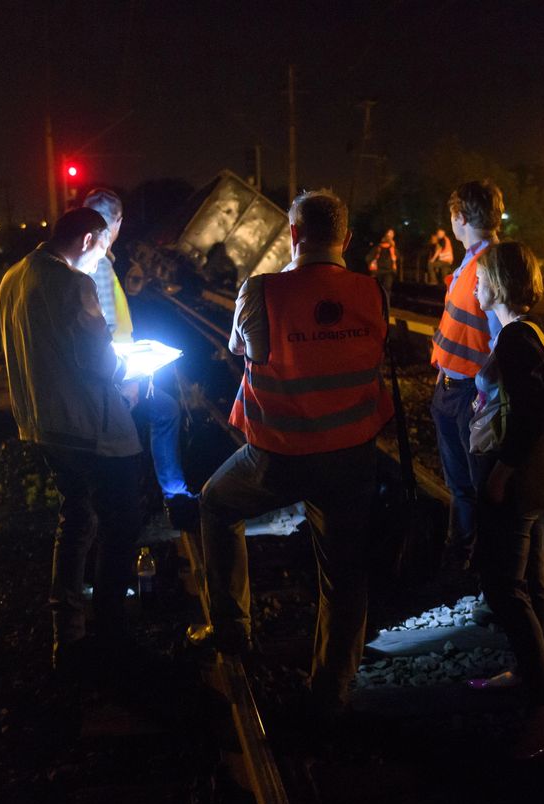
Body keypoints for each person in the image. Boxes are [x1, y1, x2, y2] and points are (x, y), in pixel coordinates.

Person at [198, 189, 393, 713]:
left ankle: (234, 629)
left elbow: (242, 349)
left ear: (293, 235)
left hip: (278, 457)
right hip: (351, 455)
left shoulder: (261, 292)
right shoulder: (372, 291)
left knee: (216, 505)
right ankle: (332, 689)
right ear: (346, 240)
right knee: (344, 575)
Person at [0, 207, 140, 665]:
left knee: (75, 521)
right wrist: (128, 371)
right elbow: (99, 362)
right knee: (122, 523)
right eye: (102, 248)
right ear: (86, 240)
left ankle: (69, 633)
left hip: (41, 425)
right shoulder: (72, 285)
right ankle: (111, 629)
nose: (103, 258)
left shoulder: (13, 278)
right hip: (87, 428)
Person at [468, 240, 544, 759]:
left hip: (512, 479)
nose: (475, 283)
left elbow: (529, 414)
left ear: (500, 283)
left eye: (482, 276)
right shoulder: (527, 333)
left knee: (504, 586)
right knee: (530, 580)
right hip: (524, 477)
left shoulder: (515, 339)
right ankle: (531, 672)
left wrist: (501, 474)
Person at [83, 188, 196, 527]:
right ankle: (166, 498)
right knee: (165, 411)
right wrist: (130, 379)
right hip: (115, 376)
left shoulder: (94, 262)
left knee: (160, 413)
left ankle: (143, 498)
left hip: (108, 372)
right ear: (116, 222)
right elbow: (105, 325)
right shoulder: (100, 266)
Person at [430, 180, 503, 576]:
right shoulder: (475, 261)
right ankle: (461, 558)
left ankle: (474, 565)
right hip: (451, 388)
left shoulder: (489, 266)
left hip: (467, 396)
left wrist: (482, 395)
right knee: (463, 486)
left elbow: (502, 340)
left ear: (458, 218)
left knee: (473, 487)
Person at [367, 228, 400, 297]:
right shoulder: (378, 247)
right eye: (389, 234)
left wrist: (394, 247)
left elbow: (398, 257)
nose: (390, 236)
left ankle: (385, 306)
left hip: (389, 272)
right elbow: (369, 257)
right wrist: (372, 264)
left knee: (386, 289)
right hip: (378, 271)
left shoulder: (393, 248)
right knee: (377, 289)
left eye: (392, 234)